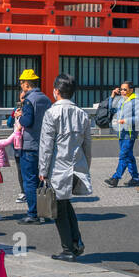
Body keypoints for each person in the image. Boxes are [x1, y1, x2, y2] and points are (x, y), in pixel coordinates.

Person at [38, 74, 92, 260]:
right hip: (77, 165)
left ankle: (68, 248)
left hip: (57, 167)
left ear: (56, 91)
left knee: (59, 209)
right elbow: (88, 146)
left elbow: (46, 145)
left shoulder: (51, 113)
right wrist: (86, 168)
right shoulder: (82, 114)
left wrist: (42, 171)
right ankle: (76, 241)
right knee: (66, 204)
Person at [16, 69, 51, 224]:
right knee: (41, 179)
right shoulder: (46, 99)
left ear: (26, 84)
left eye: (21, 83)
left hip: (29, 145)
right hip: (44, 144)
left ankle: (33, 213)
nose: (21, 85)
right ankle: (45, 210)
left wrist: (20, 116)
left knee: (29, 181)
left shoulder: (29, 100)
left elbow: (27, 121)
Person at [104, 81, 139, 188]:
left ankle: (115, 178)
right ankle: (136, 179)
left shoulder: (136, 101)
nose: (122, 91)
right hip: (121, 132)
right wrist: (112, 96)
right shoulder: (122, 100)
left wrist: (125, 120)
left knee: (123, 155)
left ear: (131, 90)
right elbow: (111, 109)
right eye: (121, 89)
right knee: (128, 156)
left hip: (129, 133)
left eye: (125, 89)